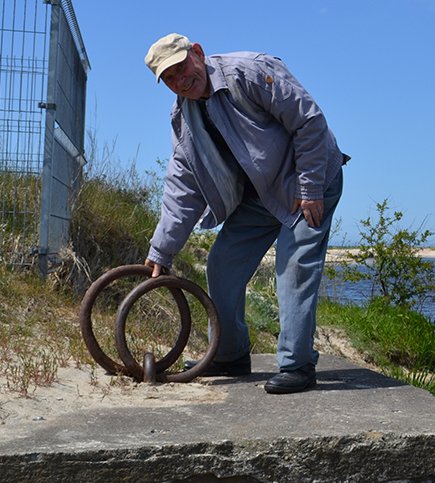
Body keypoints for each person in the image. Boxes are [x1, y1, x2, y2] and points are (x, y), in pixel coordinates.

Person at [142, 34, 346, 394]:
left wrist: (312, 187)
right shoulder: (184, 117)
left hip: (308, 181)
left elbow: (309, 121)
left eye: (181, 68)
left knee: (294, 268)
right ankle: (229, 354)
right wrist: (162, 250)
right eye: (169, 78)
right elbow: (182, 187)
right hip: (261, 194)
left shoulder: (249, 72)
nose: (180, 80)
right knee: (222, 264)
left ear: (198, 54)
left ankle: (297, 366)